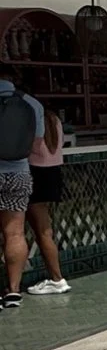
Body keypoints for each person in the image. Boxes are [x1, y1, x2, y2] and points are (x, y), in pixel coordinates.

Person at [0, 64, 44, 310]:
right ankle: (14, 291)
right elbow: (36, 145)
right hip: (18, 173)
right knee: (14, 233)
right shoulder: (31, 103)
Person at [26, 107, 68, 295]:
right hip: (53, 173)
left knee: (36, 231)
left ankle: (56, 278)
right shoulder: (54, 119)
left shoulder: (28, 118)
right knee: (44, 230)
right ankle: (55, 277)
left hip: (34, 172)